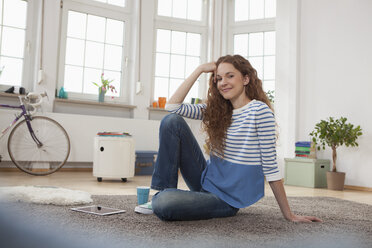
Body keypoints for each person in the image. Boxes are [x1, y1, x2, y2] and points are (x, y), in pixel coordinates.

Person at [135, 54, 322, 223]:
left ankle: (163, 197)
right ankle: (161, 191)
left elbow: (271, 166)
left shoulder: (259, 111)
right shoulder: (218, 111)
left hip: (226, 199)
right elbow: (172, 107)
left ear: (246, 79)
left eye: (230, 76)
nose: (223, 82)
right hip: (205, 181)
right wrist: (199, 69)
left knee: (164, 203)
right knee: (171, 121)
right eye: (218, 78)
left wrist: (289, 214)